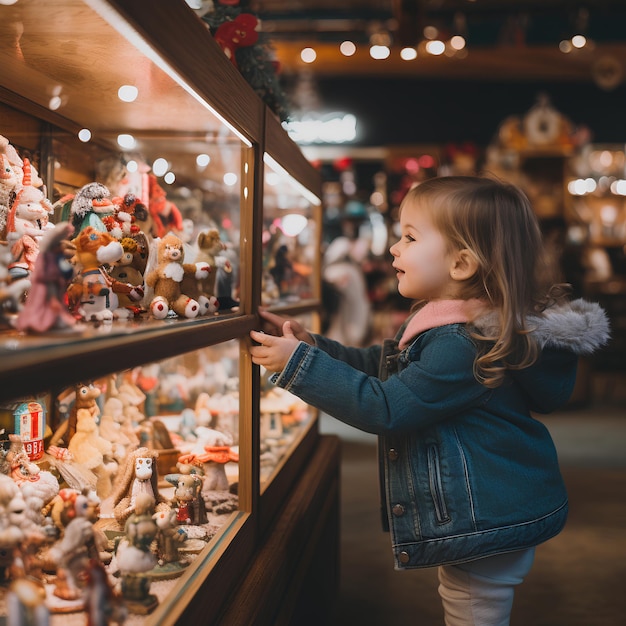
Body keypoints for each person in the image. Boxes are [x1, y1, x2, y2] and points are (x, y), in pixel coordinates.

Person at [250, 175, 610, 626]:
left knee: (473, 615)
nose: (394, 250)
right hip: (485, 507)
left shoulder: (463, 343)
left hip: (485, 515)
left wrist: (299, 365)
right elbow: (384, 368)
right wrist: (314, 348)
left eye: (409, 237)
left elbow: (386, 406)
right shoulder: (454, 326)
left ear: (461, 264)